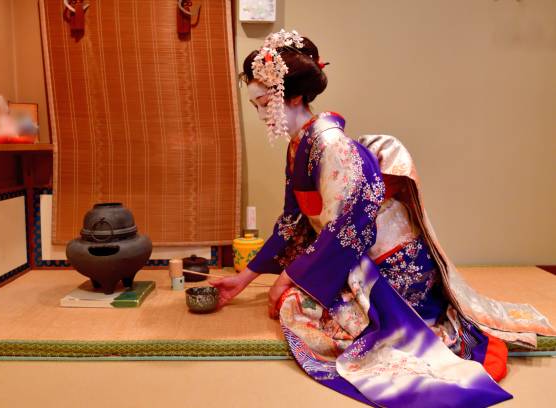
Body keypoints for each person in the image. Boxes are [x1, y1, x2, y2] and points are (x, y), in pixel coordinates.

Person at [210, 30, 555, 407]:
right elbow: (293, 221)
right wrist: (245, 279)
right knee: (294, 303)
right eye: (255, 104)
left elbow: (348, 229)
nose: (259, 113)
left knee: (305, 313)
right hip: (356, 255)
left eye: (263, 103)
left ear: (293, 97)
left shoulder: (330, 144)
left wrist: (291, 276)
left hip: (391, 264)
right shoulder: (299, 145)